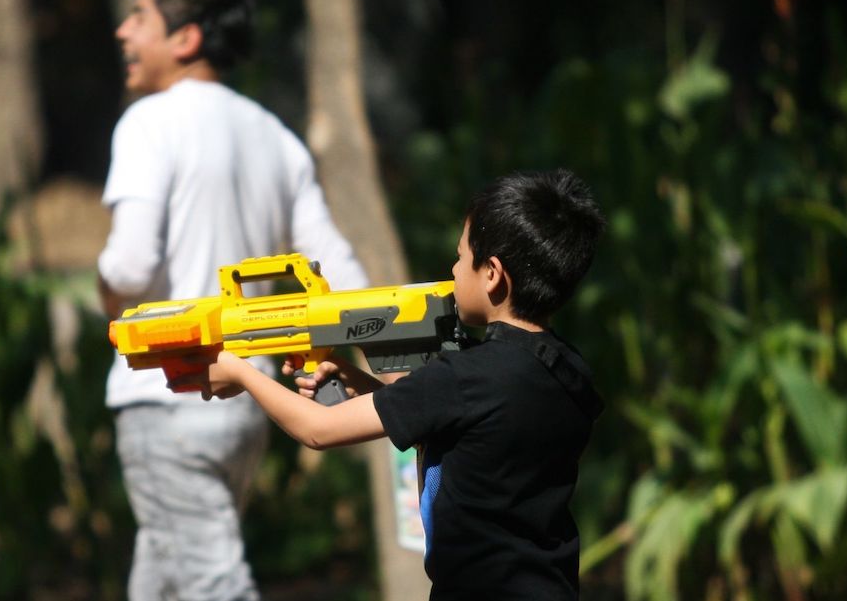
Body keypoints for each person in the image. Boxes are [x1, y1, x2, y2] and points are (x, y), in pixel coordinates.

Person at [190, 170, 607, 600]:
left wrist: (240, 372)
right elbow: (465, 431)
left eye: (461, 257)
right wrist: (355, 379)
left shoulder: (466, 376)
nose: (453, 269)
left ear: (492, 274)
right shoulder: (561, 368)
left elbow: (318, 430)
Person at [96, 0, 368, 599]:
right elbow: (339, 272)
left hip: (168, 392)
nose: (122, 31)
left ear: (186, 38)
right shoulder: (275, 136)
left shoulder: (149, 122)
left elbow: (129, 266)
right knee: (165, 577)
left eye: (140, 17)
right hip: (245, 400)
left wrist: (104, 293)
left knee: (213, 583)